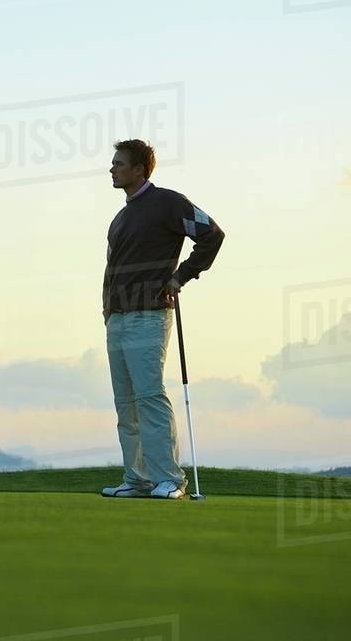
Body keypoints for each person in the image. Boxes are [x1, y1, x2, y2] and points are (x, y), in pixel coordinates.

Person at [100, 139, 225, 499]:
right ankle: (137, 479)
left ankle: (170, 479)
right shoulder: (121, 218)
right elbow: (111, 267)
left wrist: (181, 276)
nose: (112, 169)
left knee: (149, 396)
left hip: (149, 315)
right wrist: (107, 309)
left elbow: (212, 234)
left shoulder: (168, 202)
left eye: (119, 163)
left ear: (139, 169)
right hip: (117, 318)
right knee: (126, 404)